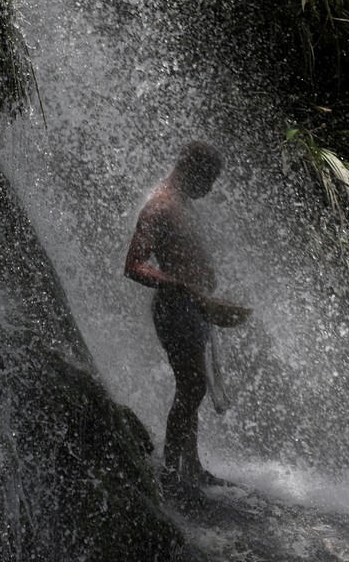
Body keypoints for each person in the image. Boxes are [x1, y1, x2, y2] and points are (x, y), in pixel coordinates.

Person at [124, 140, 226, 489]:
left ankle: (192, 467)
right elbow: (134, 264)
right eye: (209, 178)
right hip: (174, 309)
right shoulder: (160, 206)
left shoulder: (184, 205)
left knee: (191, 386)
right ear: (191, 168)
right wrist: (177, 283)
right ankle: (168, 473)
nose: (211, 187)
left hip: (193, 308)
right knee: (194, 385)